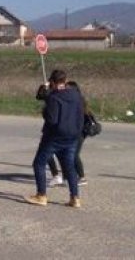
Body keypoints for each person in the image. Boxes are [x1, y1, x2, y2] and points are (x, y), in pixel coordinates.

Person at [26, 70, 84, 208]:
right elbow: (80, 114)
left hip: (54, 137)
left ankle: (41, 195)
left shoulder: (54, 97)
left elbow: (52, 119)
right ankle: (75, 197)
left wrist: (45, 111)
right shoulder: (76, 95)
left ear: (52, 82)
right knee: (69, 166)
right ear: (66, 80)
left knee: (39, 163)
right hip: (72, 136)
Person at [67, 81, 90, 186]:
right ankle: (70, 175)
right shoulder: (76, 100)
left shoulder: (79, 101)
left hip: (79, 132)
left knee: (74, 154)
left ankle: (82, 177)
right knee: (70, 154)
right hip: (75, 131)